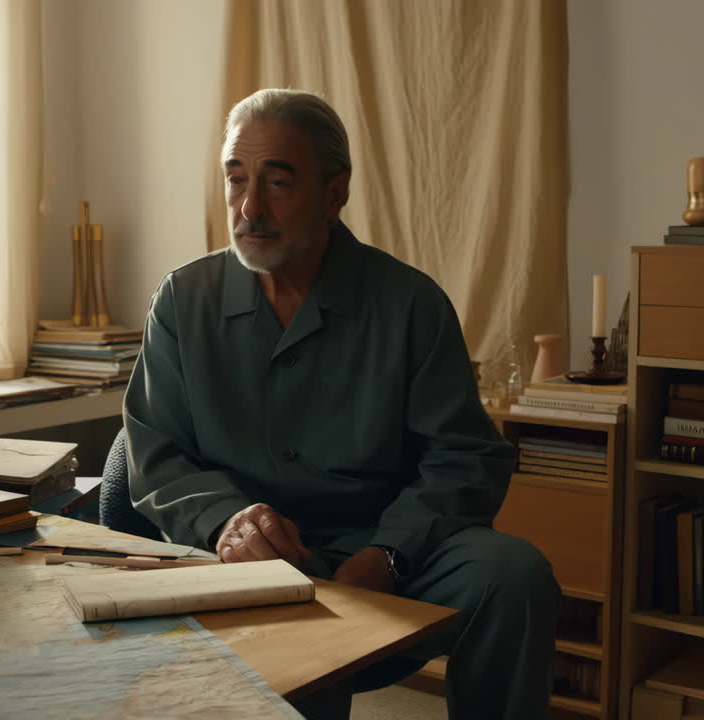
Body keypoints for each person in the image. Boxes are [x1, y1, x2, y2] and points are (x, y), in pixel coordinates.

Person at [124, 88, 558, 719]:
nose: (250, 207)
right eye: (236, 179)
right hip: (241, 550)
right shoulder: (183, 300)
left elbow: (465, 457)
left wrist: (389, 553)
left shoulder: (409, 304)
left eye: (277, 182)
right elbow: (155, 451)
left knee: (513, 574)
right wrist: (228, 523)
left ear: (334, 193)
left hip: (383, 542)